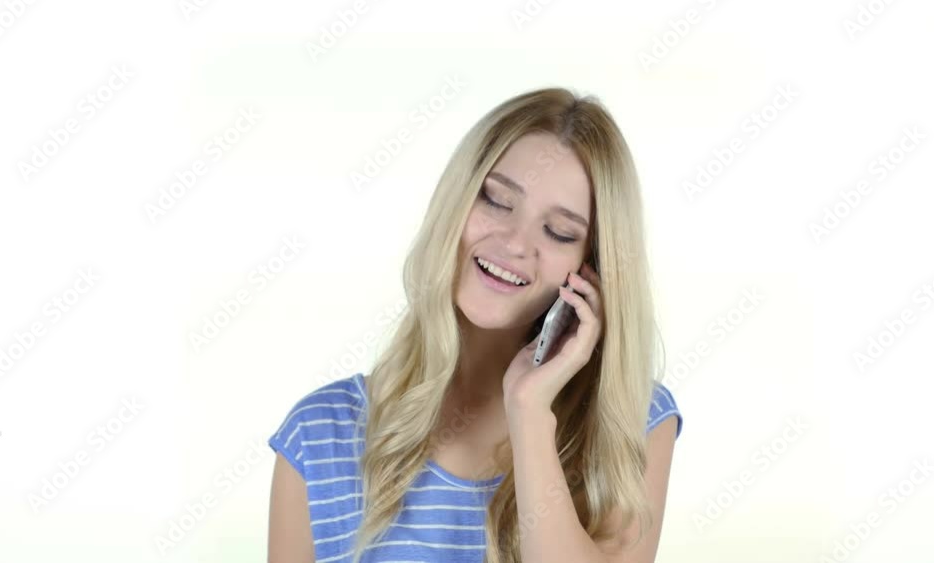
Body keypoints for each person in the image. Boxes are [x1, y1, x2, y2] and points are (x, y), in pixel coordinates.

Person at [267, 86, 684, 563]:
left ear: (590, 270)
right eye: (496, 201)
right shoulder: (319, 434)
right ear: (457, 203)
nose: (514, 242)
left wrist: (528, 413)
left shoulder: (631, 420)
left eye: (559, 232)